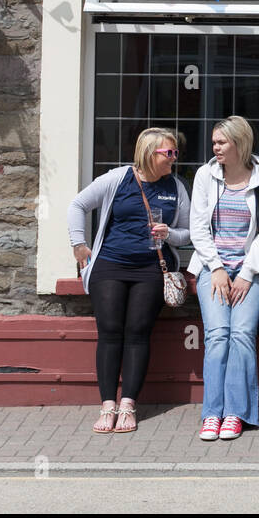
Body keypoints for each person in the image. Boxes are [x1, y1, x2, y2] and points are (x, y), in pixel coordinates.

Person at [68, 127, 191, 434]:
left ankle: (128, 405)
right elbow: (78, 205)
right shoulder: (118, 178)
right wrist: (78, 244)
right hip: (110, 265)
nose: (173, 158)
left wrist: (169, 234)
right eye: (168, 152)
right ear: (149, 153)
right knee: (110, 332)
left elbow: (190, 232)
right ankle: (107, 405)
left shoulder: (175, 186)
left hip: (150, 268)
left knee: (138, 333)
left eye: (175, 152)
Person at [188, 116, 259, 442]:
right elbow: (198, 228)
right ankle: (212, 413)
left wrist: (245, 274)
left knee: (241, 334)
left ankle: (236, 414)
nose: (215, 148)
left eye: (221, 142)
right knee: (217, 335)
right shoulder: (205, 176)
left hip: (250, 273)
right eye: (214, 142)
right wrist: (215, 268)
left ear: (240, 144)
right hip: (212, 270)